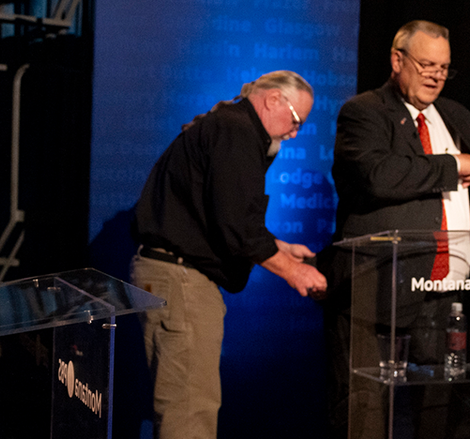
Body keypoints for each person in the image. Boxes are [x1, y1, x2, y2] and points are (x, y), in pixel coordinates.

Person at [324, 19, 470, 438]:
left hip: (445, 294)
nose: (436, 75)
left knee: (439, 412)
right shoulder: (365, 111)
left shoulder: (457, 115)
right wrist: (452, 167)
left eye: (444, 68)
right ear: (397, 60)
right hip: (377, 291)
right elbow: (378, 174)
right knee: (365, 412)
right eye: (427, 64)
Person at [129, 70, 328, 439]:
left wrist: (279, 247)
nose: (294, 132)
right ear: (272, 100)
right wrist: (294, 272)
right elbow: (236, 227)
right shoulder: (236, 130)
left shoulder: (226, 125)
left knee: (184, 406)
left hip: (174, 278)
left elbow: (215, 215)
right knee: (189, 414)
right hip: (183, 282)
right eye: (296, 121)